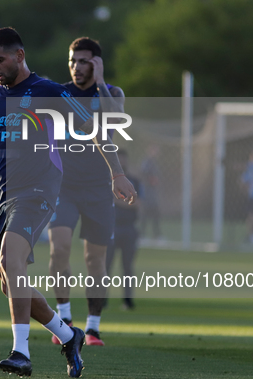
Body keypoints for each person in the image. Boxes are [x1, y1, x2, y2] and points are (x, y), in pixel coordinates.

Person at [0, 27, 137, 378]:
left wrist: (117, 174)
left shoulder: (49, 91)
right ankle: (68, 335)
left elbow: (94, 128)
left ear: (19, 56)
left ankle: (21, 352)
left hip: (38, 192)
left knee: (10, 259)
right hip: (1, 197)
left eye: (0, 60)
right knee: (9, 280)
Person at [48, 37, 125, 347]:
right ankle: (64, 321)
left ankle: (93, 328)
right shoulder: (60, 93)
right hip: (63, 187)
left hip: (98, 190)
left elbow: (115, 119)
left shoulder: (112, 93)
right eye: (73, 61)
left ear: (96, 63)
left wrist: (101, 82)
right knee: (60, 249)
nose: (76, 67)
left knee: (95, 261)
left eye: (84, 61)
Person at [106, 150, 141, 310]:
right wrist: (125, 199)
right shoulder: (107, 181)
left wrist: (117, 199)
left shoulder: (134, 181)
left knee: (128, 267)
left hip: (129, 228)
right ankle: (101, 301)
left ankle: (128, 301)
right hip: (111, 228)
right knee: (105, 266)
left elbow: (139, 203)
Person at [140, 145, 161, 239]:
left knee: (155, 213)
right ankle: (143, 234)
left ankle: (156, 234)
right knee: (145, 213)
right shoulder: (147, 162)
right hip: (146, 192)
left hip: (152, 192)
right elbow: (143, 175)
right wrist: (151, 180)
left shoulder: (154, 162)